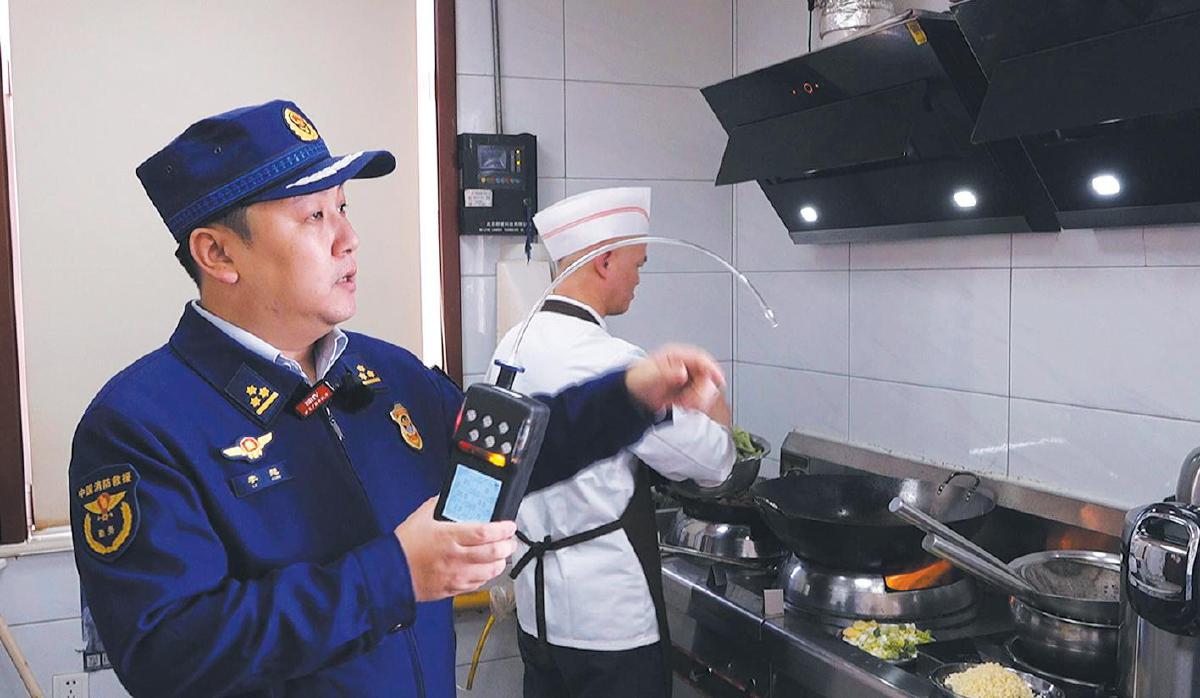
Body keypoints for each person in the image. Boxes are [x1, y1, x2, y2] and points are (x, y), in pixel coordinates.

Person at [68, 100, 727, 698]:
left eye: (343, 207)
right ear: (217, 253)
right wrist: (395, 575)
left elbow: (501, 464)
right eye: (314, 216)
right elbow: (169, 655)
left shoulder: (387, 375)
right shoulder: (141, 425)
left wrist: (630, 398)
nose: (347, 238)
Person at [487, 187, 736, 698]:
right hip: (610, 627)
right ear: (605, 261)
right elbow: (714, 461)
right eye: (637, 264)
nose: (639, 279)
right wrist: (713, 399)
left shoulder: (511, 344)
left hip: (537, 612)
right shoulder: (613, 361)